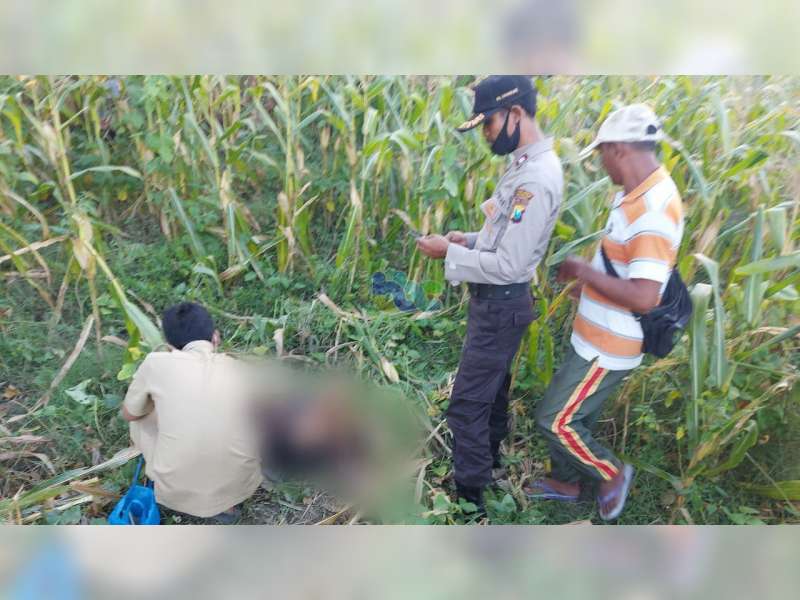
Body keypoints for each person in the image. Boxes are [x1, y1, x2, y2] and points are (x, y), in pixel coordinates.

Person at [528, 103, 684, 520]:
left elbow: (645, 296)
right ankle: (565, 482)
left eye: (601, 154)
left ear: (618, 150)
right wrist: (590, 285)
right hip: (593, 335)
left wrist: (583, 271)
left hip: (609, 345)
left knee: (556, 421)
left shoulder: (653, 210)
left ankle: (611, 474)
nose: (600, 164)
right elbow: (625, 267)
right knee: (574, 413)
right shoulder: (633, 195)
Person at [416, 75, 564, 514]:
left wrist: (449, 254)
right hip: (500, 304)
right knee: (494, 387)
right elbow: (504, 237)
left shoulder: (534, 179)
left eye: (489, 123)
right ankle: (491, 461)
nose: (485, 134)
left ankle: (471, 498)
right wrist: (468, 239)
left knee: (465, 403)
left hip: (501, 303)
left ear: (516, 113)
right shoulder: (523, 166)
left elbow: (511, 265)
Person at [121, 302, 262, 523]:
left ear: (169, 345)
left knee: (141, 416)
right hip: (239, 484)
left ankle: (176, 488)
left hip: (175, 487)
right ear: (215, 337)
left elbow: (129, 414)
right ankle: (228, 504)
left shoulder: (156, 364)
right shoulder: (242, 369)